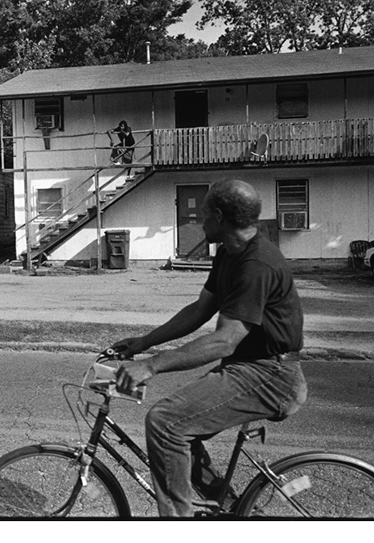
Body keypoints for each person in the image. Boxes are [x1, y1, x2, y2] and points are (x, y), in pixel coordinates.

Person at [110, 178, 308, 517]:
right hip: (250, 367)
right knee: (182, 427)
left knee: (165, 422)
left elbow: (224, 340)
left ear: (218, 216)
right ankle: (231, 511)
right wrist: (144, 342)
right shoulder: (229, 253)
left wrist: (151, 365)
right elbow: (200, 310)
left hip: (272, 375)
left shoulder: (256, 264)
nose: (200, 222)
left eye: (204, 214)